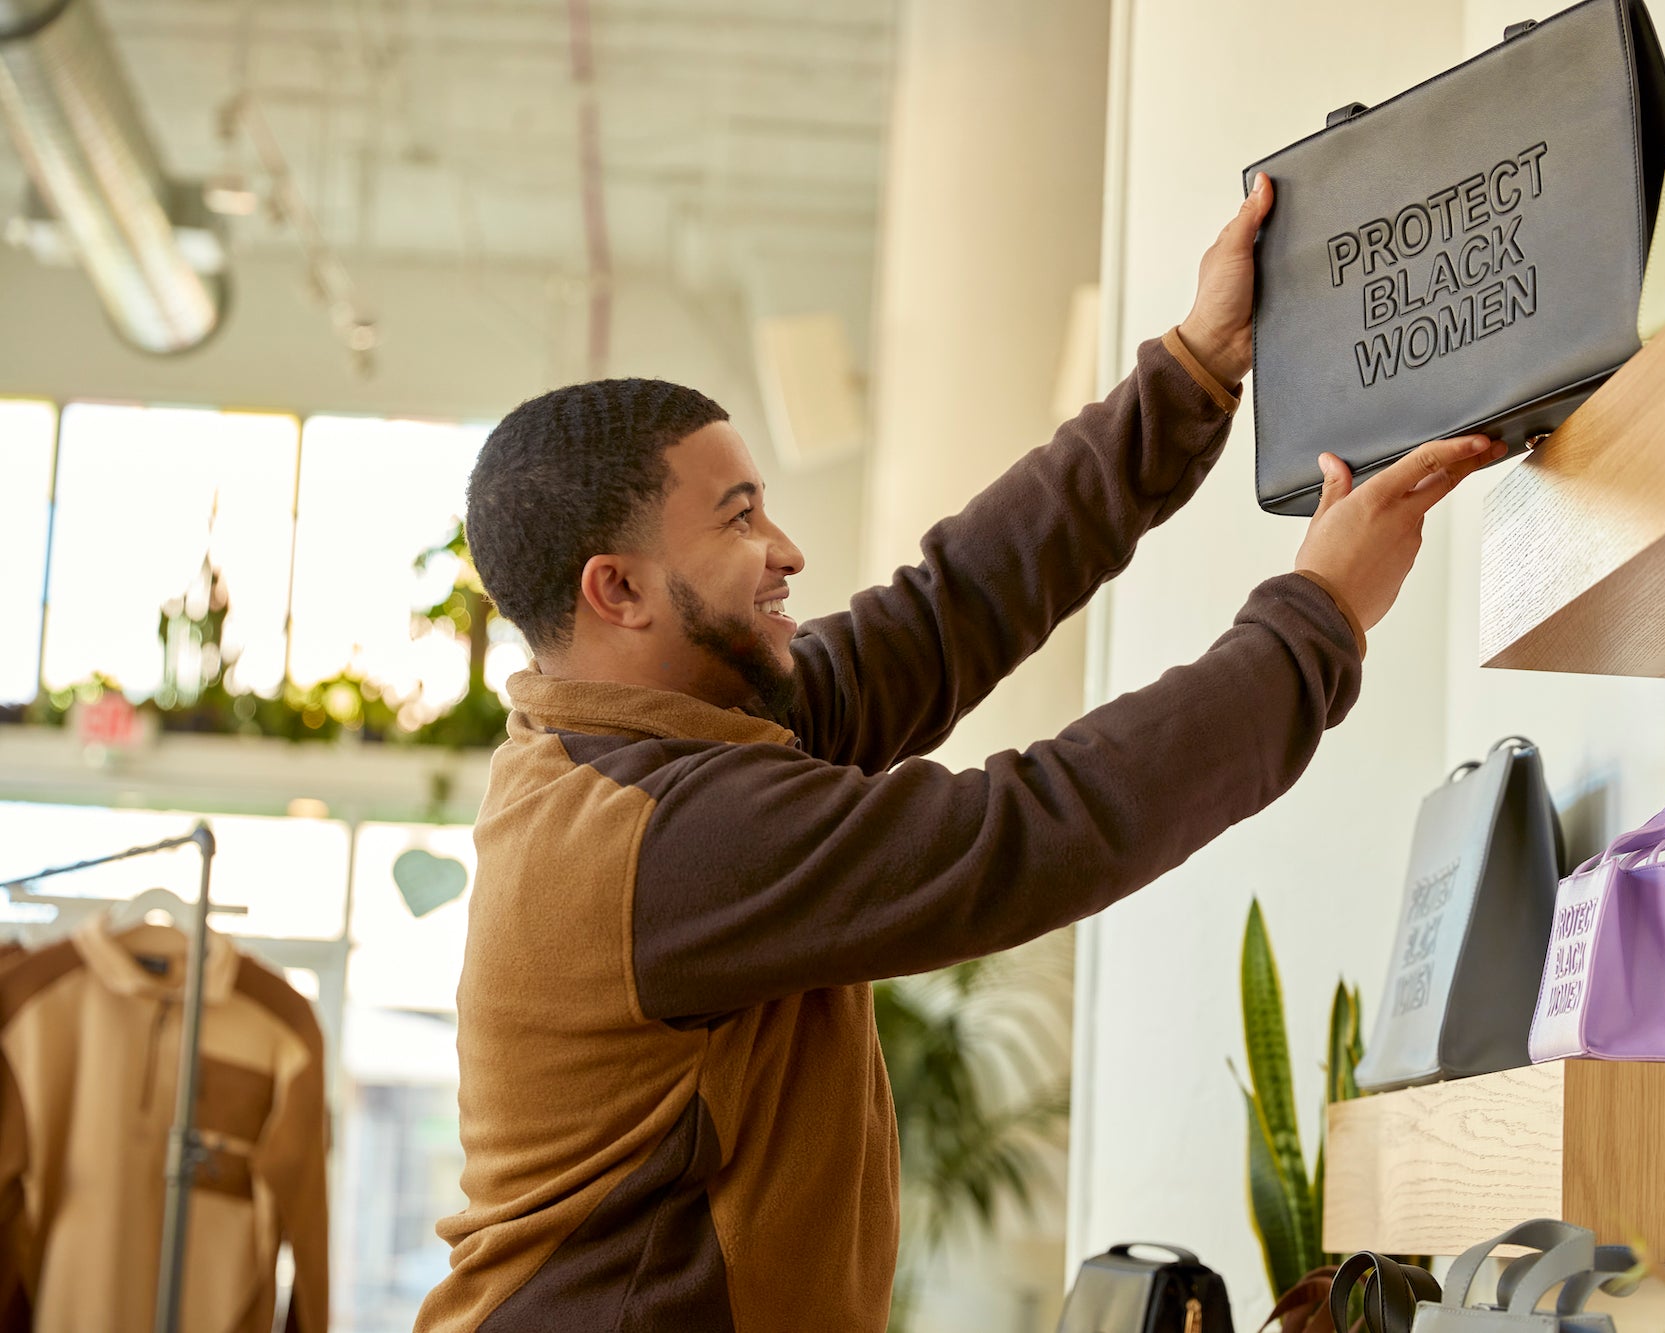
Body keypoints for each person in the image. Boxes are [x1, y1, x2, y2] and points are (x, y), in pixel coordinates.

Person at [414, 173, 1502, 1332]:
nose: (783, 548)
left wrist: (1193, 364)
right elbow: (1029, 832)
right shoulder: (661, 837)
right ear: (617, 590)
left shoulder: (669, 746)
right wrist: (1315, 613)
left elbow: (949, 610)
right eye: (736, 518)